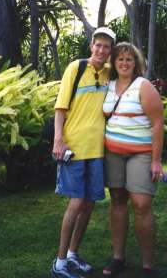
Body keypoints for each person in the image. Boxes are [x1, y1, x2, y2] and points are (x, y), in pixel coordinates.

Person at [51, 27, 116, 278]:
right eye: (98, 45)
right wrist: (58, 139)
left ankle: (72, 255)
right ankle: (59, 263)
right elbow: (60, 107)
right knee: (76, 202)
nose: (101, 50)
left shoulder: (110, 72)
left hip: (98, 150)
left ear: (110, 50)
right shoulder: (75, 68)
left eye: (106, 46)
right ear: (91, 46)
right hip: (74, 147)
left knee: (88, 204)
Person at [102, 42, 164, 278]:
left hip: (141, 153)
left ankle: (147, 265)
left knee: (141, 204)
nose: (124, 63)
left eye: (128, 59)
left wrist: (156, 161)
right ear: (114, 63)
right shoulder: (107, 87)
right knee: (117, 200)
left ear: (135, 62)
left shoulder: (143, 86)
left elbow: (158, 123)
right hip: (113, 153)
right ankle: (118, 257)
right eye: (120, 59)